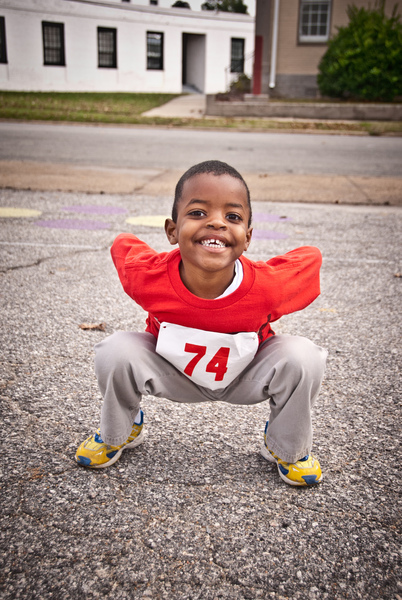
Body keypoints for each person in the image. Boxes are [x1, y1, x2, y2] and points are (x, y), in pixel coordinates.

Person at [75, 160, 327, 486]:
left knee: (303, 356)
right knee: (115, 350)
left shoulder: (266, 285)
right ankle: (121, 429)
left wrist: (267, 271)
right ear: (172, 231)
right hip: (172, 372)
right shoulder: (150, 276)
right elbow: (124, 247)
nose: (216, 223)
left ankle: (286, 446)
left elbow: (310, 258)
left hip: (247, 375)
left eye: (232, 217)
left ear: (247, 238)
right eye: (198, 213)